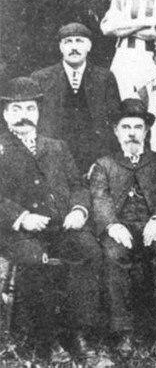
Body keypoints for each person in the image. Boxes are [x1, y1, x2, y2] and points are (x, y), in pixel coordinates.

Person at [0, 77, 102, 364]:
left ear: (38, 112)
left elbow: (79, 185)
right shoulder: (1, 149)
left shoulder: (56, 147)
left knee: (89, 251)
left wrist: (79, 210)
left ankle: (78, 333)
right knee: (36, 260)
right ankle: (46, 339)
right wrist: (21, 217)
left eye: (30, 109)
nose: (23, 116)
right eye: (16, 109)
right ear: (6, 114)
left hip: (60, 225)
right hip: (15, 231)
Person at [90, 98, 156, 358]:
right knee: (113, 255)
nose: (131, 133)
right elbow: (99, 197)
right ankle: (123, 331)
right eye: (125, 127)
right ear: (116, 131)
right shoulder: (104, 164)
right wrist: (111, 224)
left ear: (146, 131)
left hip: (154, 227)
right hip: (120, 228)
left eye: (137, 127)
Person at [31, 22, 121, 175]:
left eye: (79, 41)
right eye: (68, 42)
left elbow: (114, 121)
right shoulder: (42, 78)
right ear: (60, 47)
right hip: (54, 159)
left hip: (95, 158)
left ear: (89, 46)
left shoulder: (104, 78)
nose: (74, 47)